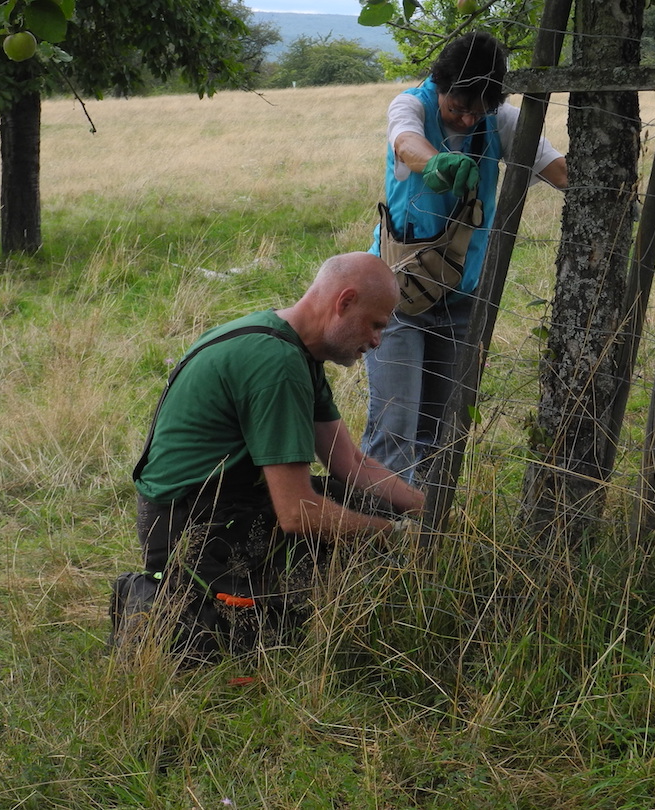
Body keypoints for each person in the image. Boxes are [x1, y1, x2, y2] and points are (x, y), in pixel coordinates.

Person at [114, 252, 426, 660]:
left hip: (210, 506)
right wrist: (394, 535)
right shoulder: (276, 364)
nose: (376, 341)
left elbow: (351, 462)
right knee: (354, 540)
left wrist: (433, 514)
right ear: (344, 302)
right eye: (376, 325)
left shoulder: (287, 343)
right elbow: (297, 512)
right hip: (187, 530)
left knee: (362, 503)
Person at [363, 31, 567, 484]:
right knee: (393, 427)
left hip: (462, 300)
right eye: (458, 107)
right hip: (397, 297)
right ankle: (374, 537)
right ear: (440, 87)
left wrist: (600, 193)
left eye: (480, 109)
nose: (468, 117)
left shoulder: (503, 121)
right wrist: (436, 163)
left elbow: (556, 169)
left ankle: (425, 533)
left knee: (442, 432)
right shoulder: (411, 105)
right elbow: (406, 142)